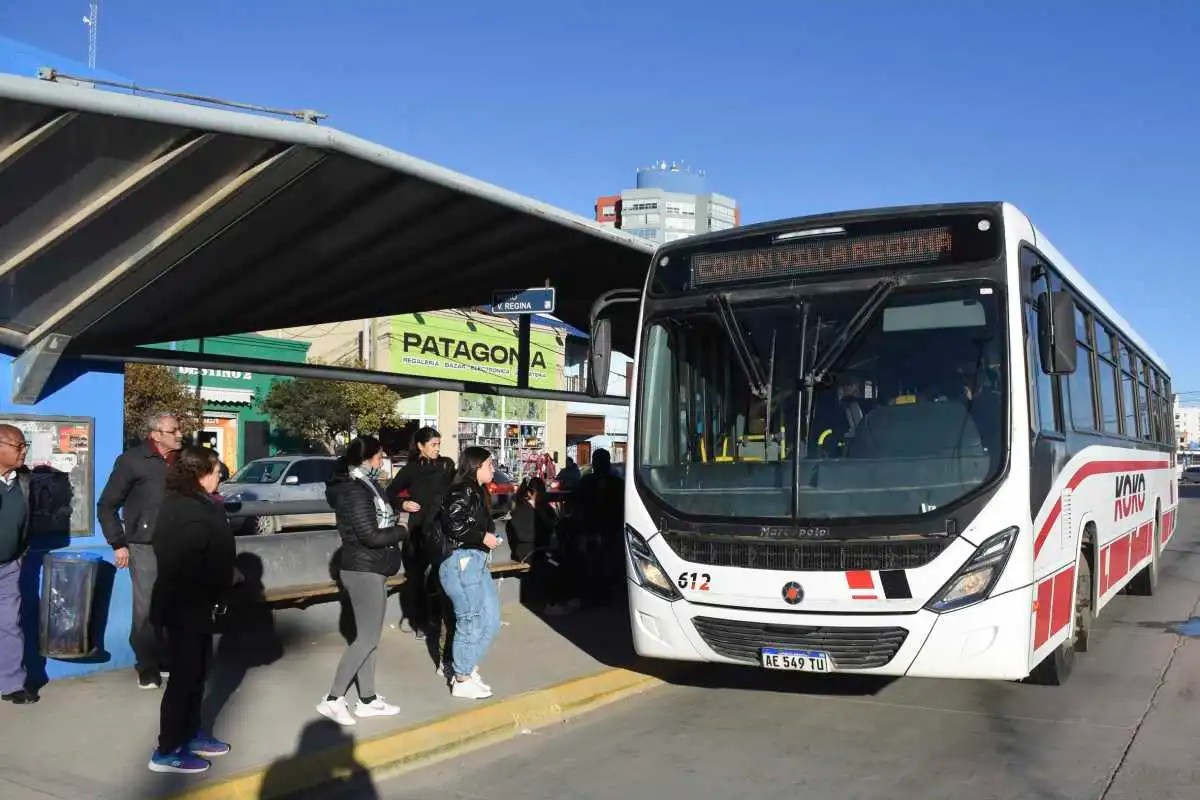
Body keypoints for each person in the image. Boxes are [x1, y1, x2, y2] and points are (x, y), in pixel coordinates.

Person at [147, 445, 237, 774]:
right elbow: (188, 560)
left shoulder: (198, 503)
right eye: (216, 472)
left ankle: (191, 733)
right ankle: (167, 749)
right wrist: (224, 577)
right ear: (199, 474)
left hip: (198, 605)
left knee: (197, 674)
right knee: (183, 680)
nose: (219, 479)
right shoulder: (186, 509)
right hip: (183, 605)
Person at [318, 436, 407, 727]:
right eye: (380, 457)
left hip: (371, 568)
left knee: (369, 638)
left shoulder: (366, 485)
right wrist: (402, 531)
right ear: (367, 458)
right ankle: (332, 699)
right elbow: (370, 535)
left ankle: (367, 699)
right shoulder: (356, 491)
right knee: (367, 638)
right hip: (363, 569)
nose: (382, 462)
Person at [97, 411, 183, 689]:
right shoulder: (132, 461)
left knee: (174, 604)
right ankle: (147, 666)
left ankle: (169, 658)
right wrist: (118, 543)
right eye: (174, 430)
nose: (180, 434)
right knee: (147, 608)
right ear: (155, 434)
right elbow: (107, 505)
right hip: (143, 545)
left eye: (180, 429)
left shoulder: (182, 460)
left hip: (179, 543)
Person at [438, 447, 501, 700]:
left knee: (491, 619)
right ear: (476, 466)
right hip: (462, 561)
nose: (493, 468)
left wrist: (485, 539)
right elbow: (453, 525)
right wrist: (482, 537)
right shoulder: (462, 489)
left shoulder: (476, 490)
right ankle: (462, 678)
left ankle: (467, 667)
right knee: (470, 619)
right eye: (489, 464)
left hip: (476, 560)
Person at [385, 427, 455, 640]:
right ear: (420, 446)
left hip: (441, 528)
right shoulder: (411, 469)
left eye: (438, 444)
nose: (437, 449)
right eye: (433, 444)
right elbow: (389, 491)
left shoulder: (446, 465)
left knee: (443, 577)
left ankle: (444, 621)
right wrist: (402, 503)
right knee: (416, 579)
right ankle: (419, 623)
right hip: (417, 531)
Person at [0, 424, 34, 705]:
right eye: (18, 446)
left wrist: (19, 554)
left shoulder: (23, 480)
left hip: (8, 566)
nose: (24, 451)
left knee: (11, 624)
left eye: (24, 445)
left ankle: (12, 684)